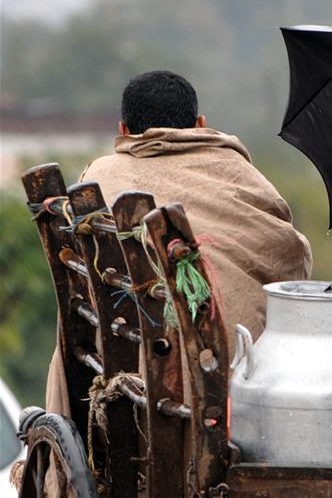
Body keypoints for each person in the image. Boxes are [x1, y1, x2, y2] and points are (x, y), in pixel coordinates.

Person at [46, 69, 312, 415]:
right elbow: (293, 262)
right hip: (233, 383)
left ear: (123, 131)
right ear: (200, 124)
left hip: (124, 371)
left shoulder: (99, 177)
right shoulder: (242, 176)